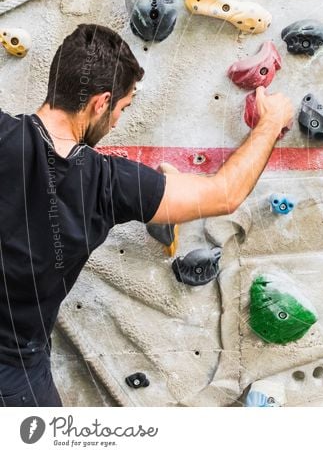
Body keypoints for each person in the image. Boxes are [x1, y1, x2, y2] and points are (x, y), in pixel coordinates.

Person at [0, 24, 293, 407]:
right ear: (100, 103)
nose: (117, 122)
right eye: (121, 109)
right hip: (15, 377)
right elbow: (224, 194)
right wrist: (270, 123)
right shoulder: (107, 183)